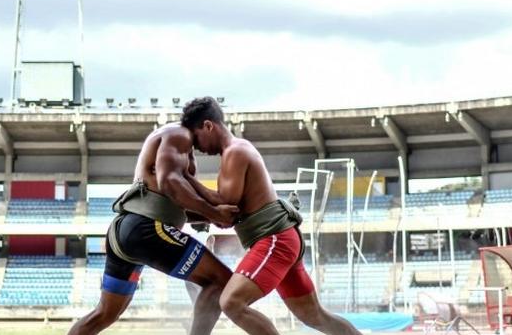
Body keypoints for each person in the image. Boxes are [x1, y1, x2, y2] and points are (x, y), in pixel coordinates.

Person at [180, 97, 362, 335]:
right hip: (281, 238)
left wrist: (187, 180)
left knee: (231, 302)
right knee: (314, 315)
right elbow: (223, 214)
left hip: (275, 239)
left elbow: (226, 207)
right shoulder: (234, 153)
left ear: (208, 126)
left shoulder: (236, 151)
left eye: (196, 139)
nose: (197, 147)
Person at [68, 123, 239, 335]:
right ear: (205, 125)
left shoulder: (176, 145)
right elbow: (170, 182)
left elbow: (173, 206)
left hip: (128, 230)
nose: (213, 148)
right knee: (219, 280)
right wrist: (213, 211)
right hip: (146, 229)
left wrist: (211, 216)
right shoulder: (179, 135)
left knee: (105, 314)